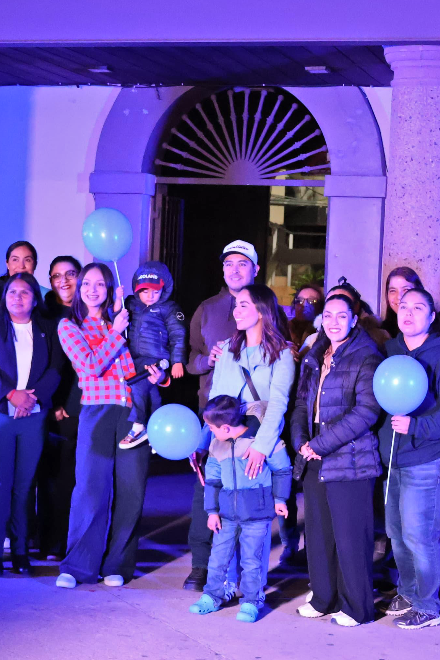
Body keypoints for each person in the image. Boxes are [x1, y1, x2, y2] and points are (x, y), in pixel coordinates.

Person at [55, 263, 163, 589]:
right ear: (78, 289)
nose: (92, 289)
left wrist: (155, 374)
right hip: (97, 410)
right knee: (90, 489)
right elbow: (90, 366)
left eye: (100, 284)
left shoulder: (122, 320)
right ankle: (77, 566)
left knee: (131, 491)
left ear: (109, 289)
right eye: (86, 283)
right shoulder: (70, 325)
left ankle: (117, 564)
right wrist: (115, 332)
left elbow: (134, 369)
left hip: (132, 411)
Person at [380, 288, 440, 630]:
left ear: (432, 317)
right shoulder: (391, 351)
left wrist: (417, 426)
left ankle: (428, 606)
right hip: (394, 458)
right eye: (403, 307)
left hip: (427, 458)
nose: (408, 313)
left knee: (420, 535)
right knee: (397, 533)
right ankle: (408, 592)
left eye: (418, 308)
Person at [291, 293, 383, 628]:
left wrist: (321, 444)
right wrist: (301, 441)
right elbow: (301, 403)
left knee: (350, 537)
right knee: (318, 534)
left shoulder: (367, 356)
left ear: (354, 319)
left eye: (341, 316)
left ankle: (357, 607)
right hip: (313, 451)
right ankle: (323, 599)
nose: (333, 322)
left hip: (350, 457)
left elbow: (367, 412)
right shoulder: (315, 354)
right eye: (327, 315)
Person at [0, 271, 63, 576]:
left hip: (33, 416)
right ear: (5, 297)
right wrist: (13, 395)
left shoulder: (47, 329)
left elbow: (55, 369)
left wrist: (31, 400)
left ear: (35, 299)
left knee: (24, 486)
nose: (17, 297)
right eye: (12, 292)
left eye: (25, 292)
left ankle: (20, 550)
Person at [184, 239, 258, 591]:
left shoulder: (266, 307)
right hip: (213, 414)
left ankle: (243, 571)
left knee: (247, 491)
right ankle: (201, 565)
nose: (235, 270)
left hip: (251, 415)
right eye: (229, 264)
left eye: (242, 263)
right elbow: (190, 359)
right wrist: (207, 360)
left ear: (255, 269)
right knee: (207, 488)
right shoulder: (207, 309)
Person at [206, 284, 297, 563]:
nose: (236, 310)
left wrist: (261, 446)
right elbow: (214, 399)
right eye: (236, 305)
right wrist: (204, 443)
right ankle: (224, 580)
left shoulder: (281, 354)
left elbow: (278, 403)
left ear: (261, 311)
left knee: (254, 520)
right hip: (225, 442)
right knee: (223, 515)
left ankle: (253, 584)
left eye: (244, 305)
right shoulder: (227, 349)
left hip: (259, 441)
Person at [189, 395, 293, 623]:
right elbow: (213, 481)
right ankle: (212, 596)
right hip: (226, 515)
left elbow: (283, 470)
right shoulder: (217, 445)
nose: (210, 432)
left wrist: (280, 499)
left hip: (257, 514)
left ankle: (251, 601)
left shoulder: (263, 441)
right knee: (218, 558)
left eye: (212, 428)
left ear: (225, 427)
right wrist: (212, 511)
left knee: (252, 561)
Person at [37, 255, 81, 559]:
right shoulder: (43, 313)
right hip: (47, 404)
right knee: (47, 476)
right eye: (56, 275)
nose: (63, 281)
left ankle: (64, 542)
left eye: (70, 274)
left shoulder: (89, 311)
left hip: (77, 405)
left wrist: (69, 404)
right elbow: (42, 362)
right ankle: (46, 541)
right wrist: (51, 402)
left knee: (70, 477)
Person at [119, 262, 186, 449]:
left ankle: (138, 425)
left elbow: (178, 334)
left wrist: (177, 361)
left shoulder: (169, 308)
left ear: (164, 289)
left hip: (156, 358)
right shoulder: (132, 304)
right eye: (145, 291)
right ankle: (156, 431)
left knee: (138, 385)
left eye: (155, 291)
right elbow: (116, 316)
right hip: (134, 357)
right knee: (152, 394)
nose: (150, 296)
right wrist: (117, 299)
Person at [380, 266, 422, 337]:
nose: (399, 296)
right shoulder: (382, 334)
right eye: (393, 291)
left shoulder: (434, 334)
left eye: (406, 290)